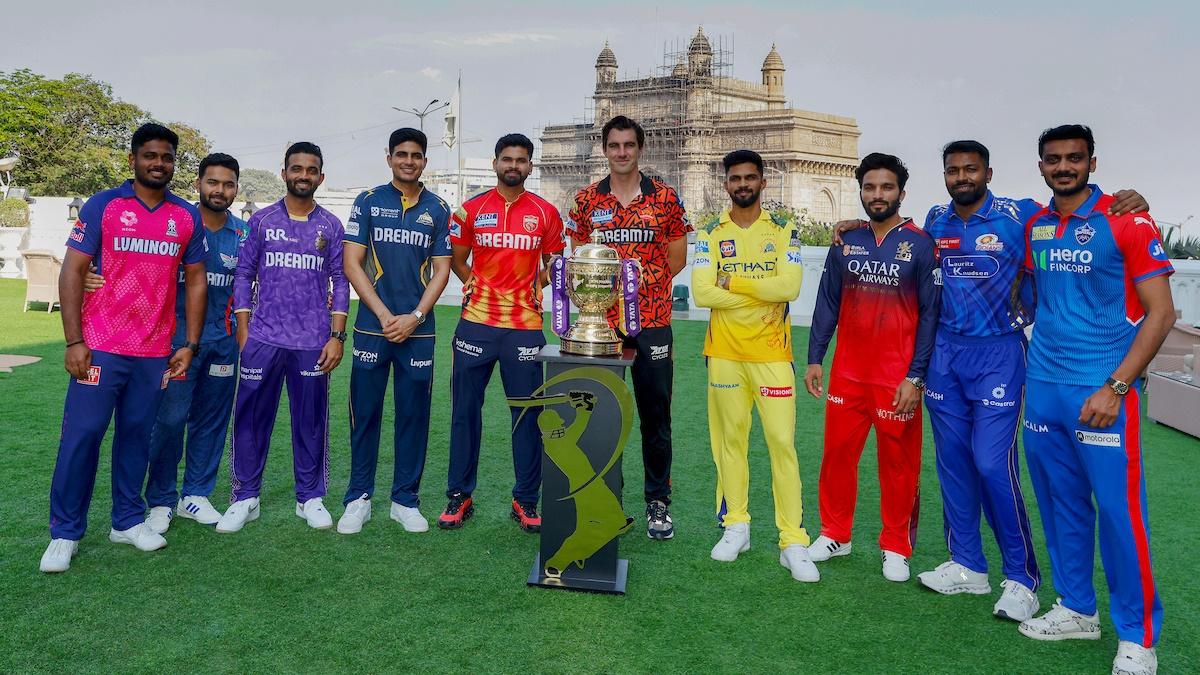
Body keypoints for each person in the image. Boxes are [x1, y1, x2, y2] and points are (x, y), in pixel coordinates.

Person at [1017, 125, 1173, 675]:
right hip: (1044, 391)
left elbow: (1162, 313)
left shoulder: (1127, 219)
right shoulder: (1035, 224)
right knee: (1061, 507)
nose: (1063, 167)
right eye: (1053, 159)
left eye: (1073, 158)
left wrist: (1116, 386)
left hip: (1103, 392)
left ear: (1091, 161)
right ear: (1040, 166)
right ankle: (1078, 608)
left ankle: (1138, 637)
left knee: (1120, 514)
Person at [40, 123, 208, 573]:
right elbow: (73, 271)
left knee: (137, 437)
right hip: (100, 347)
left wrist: (189, 343)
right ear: (133, 160)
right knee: (83, 437)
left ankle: (127, 520)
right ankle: (64, 533)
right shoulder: (104, 206)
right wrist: (74, 340)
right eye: (150, 156)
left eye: (167, 157)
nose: (159, 164)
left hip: (154, 351)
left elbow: (196, 280)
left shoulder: (185, 216)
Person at [804, 152, 940, 583]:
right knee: (837, 457)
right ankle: (835, 534)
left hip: (895, 379)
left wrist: (915, 376)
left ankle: (895, 545)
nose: (877, 195)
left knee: (898, 465)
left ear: (901, 192)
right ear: (860, 190)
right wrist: (815, 357)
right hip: (848, 372)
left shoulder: (921, 245)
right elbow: (827, 302)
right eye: (869, 187)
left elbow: (931, 316)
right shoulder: (847, 240)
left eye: (886, 187)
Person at [691, 149, 818, 582]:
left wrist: (734, 282)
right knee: (731, 442)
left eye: (750, 177)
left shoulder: (784, 228)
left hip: (772, 356)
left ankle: (792, 539)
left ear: (763, 182)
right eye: (735, 178)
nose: (742, 184)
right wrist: (761, 292)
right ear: (725, 184)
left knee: (782, 443)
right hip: (724, 354)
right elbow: (703, 294)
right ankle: (736, 526)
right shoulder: (710, 231)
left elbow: (791, 287)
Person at [567, 115, 690, 540]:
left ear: (640, 149)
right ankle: (604, 500)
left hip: (653, 323)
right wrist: (611, 300)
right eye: (614, 145)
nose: (622, 152)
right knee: (599, 415)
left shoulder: (666, 198)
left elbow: (678, 258)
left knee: (656, 417)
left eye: (629, 145)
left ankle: (658, 502)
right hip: (600, 326)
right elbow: (579, 261)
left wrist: (642, 291)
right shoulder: (585, 201)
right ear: (605, 149)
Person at [216, 142, 349, 533]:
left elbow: (340, 281)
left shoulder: (331, 226)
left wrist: (337, 335)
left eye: (311, 170)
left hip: (312, 341)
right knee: (251, 419)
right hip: (263, 338)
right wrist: (244, 327)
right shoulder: (262, 221)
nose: (303, 175)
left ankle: (309, 497)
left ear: (320, 177)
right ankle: (245, 497)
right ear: (284, 172)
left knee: (310, 422)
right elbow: (243, 274)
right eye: (296, 168)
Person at [440, 133, 565, 532]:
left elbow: (555, 265)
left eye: (522, 160)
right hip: (475, 325)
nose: (514, 166)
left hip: (525, 328)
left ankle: (525, 500)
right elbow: (459, 260)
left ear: (530, 166)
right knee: (464, 412)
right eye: (507, 159)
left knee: (527, 416)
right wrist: (476, 285)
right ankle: (460, 496)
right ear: (495, 163)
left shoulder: (546, 213)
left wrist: (534, 286)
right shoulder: (470, 210)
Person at [337, 128, 451, 535]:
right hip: (373, 328)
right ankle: (358, 498)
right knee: (364, 414)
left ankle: (405, 500)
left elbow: (442, 270)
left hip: (418, 332)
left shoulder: (438, 208)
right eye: (401, 154)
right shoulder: (368, 201)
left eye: (416, 155)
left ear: (424, 161)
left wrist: (415, 316)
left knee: (413, 415)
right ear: (388, 158)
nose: (408, 161)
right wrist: (386, 315)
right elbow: (352, 263)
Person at [139, 154, 247, 531]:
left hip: (223, 342)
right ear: (199, 183)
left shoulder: (243, 234)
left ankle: (196, 495)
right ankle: (161, 500)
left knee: (212, 420)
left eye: (228, 184)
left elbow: (253, 287)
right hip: (176, 343)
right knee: (169, 420)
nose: (220, 190)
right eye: (213, 182)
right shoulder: (178, 224)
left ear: (236, 188)